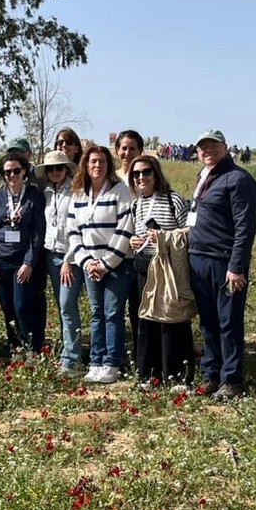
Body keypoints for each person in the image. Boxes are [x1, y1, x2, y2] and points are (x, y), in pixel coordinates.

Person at [188, 130, 256, 400]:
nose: (208, 151)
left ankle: (231, 380)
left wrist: (237, 266)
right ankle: (211, 374)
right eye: (203, 147)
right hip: (198, 258)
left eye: (213, 146)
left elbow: (245, 227)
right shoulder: (204, 175)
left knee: (228, 321)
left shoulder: (238, 179)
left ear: (225, 147)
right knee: (208, 321)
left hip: (224, 261)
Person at [61, 146, 134, 385]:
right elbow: (72, 232)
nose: (97, 166)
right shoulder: (78, 194)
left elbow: (125, 229)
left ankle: (111, 362)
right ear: (85, 164)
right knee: (96, 313)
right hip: (89, 265)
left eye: (102, 161)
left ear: (108, 165)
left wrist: (105, 263)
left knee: (112, 312)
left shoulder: (120, 190)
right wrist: (86, 261)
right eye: (93, 161)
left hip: (116, 264)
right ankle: (96, 360)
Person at [126, 156, 192, 388]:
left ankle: (177, 376)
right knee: (146, 320)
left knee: (173, 319)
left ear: (156, 173)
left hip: (169, 268)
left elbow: (189, 231)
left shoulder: (174, 199)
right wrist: (135, 241)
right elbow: (139, 233)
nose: (141, 178)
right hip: (144, 266)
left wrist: (164, 237)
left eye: (146, 172)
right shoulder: (136, 203)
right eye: (136, 174)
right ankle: (149, 375)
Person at [0, 153, 47, 355]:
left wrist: (29, 262)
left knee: (22, 307)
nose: (12, 175)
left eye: (17, 171)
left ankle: (34, 349)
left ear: (24, 171)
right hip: (1, 261)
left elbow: (38, 232)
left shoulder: (34, 195)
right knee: (8, 309)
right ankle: (16, 349)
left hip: (24, 261)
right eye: (7, 172)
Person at [35, 150, 76, 353]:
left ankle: (72, 355)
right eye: (50, 169)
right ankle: (67, 346)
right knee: (61, 306)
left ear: (67, 168)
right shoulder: (47, 191)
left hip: (70, 255)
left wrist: (69, 259)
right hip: (50, 253)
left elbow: (78, 227)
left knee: (67, 305)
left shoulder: (77, 190)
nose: (55, 172)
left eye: (59, 167)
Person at [113, 130, 145, 358]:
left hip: (139, 255)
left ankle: (140, 354)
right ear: (117, 151)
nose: (127, 152)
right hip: (114, 255)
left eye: (132, 148)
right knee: (112, 310)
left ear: (140, 151)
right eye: (123, 148)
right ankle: (117, 356)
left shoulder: (146, 176)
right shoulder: (110, 178)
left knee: (139, 309)